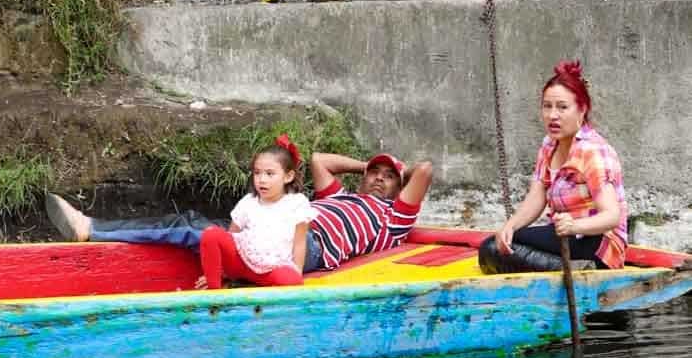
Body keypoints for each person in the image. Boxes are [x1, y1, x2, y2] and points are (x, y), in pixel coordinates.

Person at [46, 147, 433, 273]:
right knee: (190, 224)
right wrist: (365, 165)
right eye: (374, 173)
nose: (379, 178)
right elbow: (319, 160)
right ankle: (96, 229)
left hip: (306, 247)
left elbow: (426, 171)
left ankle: (92, 227)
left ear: (400, 187)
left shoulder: (392, 218)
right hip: (276, 225)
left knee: (191, 231)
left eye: (388, 177)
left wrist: (400, 171)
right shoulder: (338, 197)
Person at [478, 60, 628, 274]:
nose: (552, 115)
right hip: (565, 235)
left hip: (597, 242)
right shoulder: (549, 145)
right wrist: (510, 226)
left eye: (562, 107)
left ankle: (584, 269)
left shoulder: (593, 151)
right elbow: (537, 196)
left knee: (492, 249)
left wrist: (575, 226)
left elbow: (611, 216)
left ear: (582, 110)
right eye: (547, 106)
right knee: (497, 244)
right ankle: (569, 269)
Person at [196, 134, 317, 289]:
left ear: (288, 176)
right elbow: (232, 235)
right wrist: (221, 270)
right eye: (257, 173)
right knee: (211, 234)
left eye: (269, 173)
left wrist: (297, 272)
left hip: (272, 269)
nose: (262, 179)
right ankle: (214, 293)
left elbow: (300, 243)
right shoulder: (248, 202)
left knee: (291, 279)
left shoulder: (297, 203)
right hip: (242, 264)